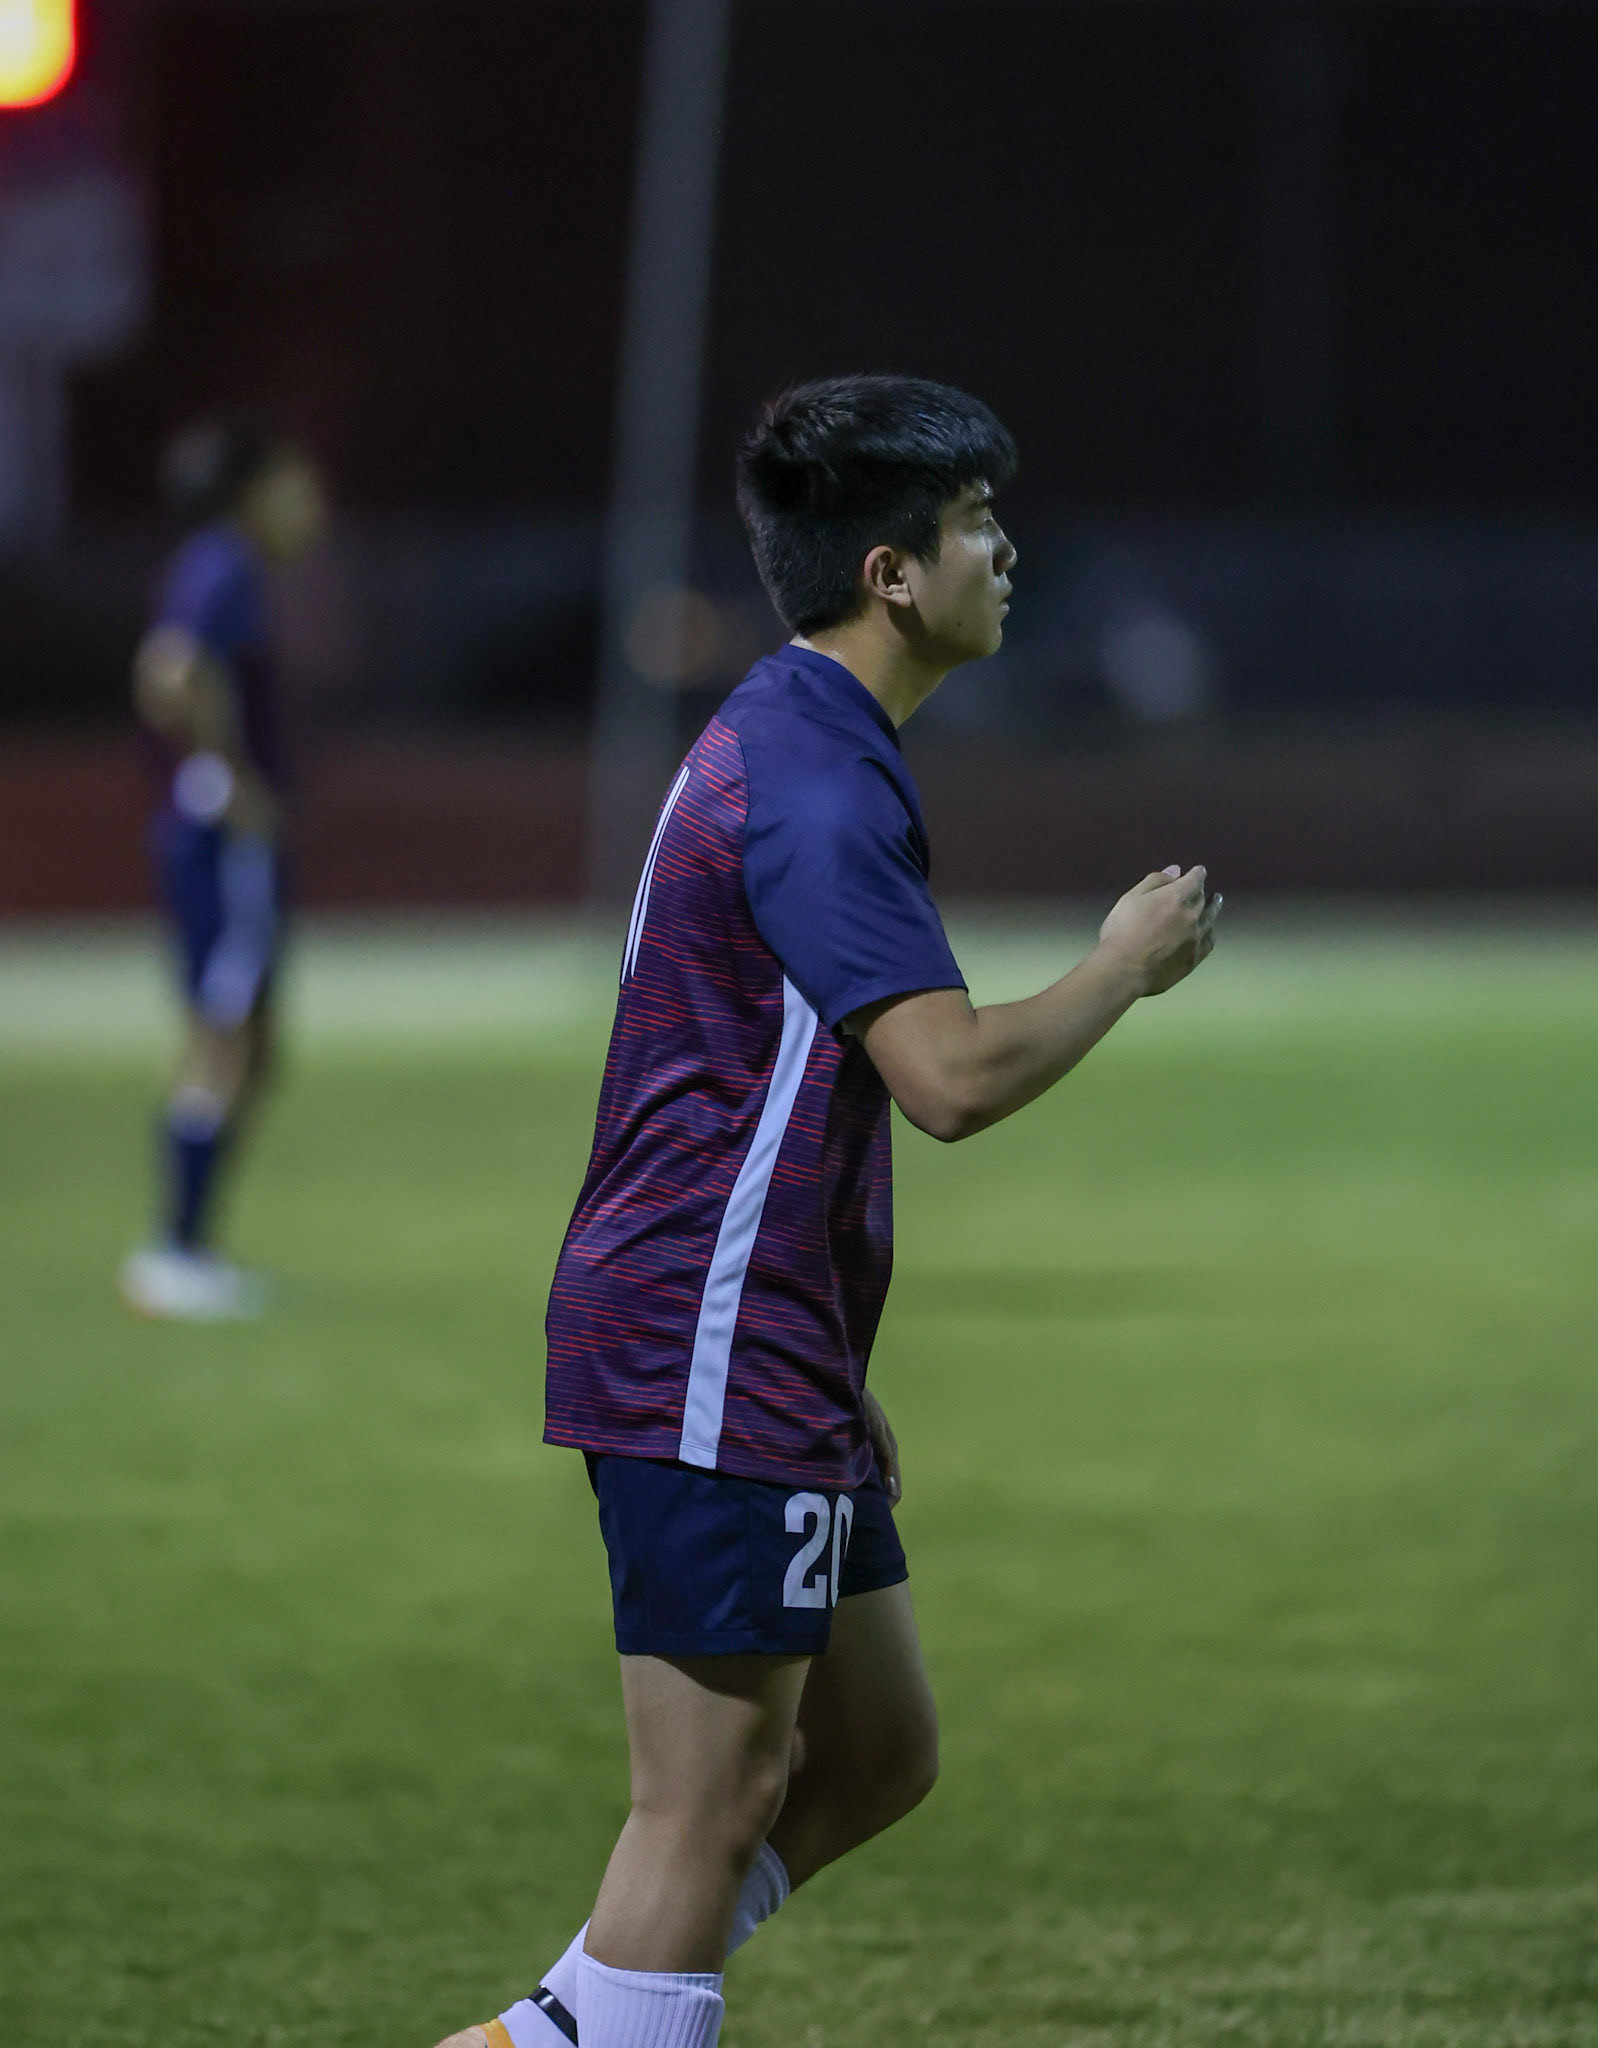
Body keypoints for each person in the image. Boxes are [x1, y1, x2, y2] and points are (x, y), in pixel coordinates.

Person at [436, 375, 1220, 2048]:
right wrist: (1118, 968)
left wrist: (825, 1357)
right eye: (975, 526)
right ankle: (587, 2024)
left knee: (876, 1754)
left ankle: (571, 2019)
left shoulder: (799, 735)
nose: (1004, 551)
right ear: (888, 571)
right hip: (705, 1339)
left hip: (753, 1336)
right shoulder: (812, 785)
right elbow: (946, 1077)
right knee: (700, 1813)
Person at [119, 421, 328, 1322]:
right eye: (297, 483)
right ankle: (175, 1252)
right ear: (256, 489)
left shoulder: (222, 565)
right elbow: (168, 672)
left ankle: (188, 1249)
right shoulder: (223, 564)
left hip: (225, 836)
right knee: (226, 1034)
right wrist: (228, 778)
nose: (311, 504)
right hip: (225, 840)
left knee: (254, 1041)